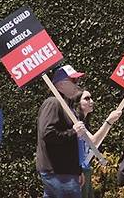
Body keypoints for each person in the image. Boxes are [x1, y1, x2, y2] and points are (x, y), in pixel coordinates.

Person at [37, 65, 89, 198]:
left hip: (65, 172)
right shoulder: (53, 103)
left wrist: (77, 170)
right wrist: (73, 131)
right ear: (60, 85)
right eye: (73, 81)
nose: (77, 85)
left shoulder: (67, 106)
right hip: (58, 172)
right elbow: (48, 134)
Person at [73, 90, 123, 198]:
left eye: (91, 98)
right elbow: (93, 141)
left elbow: (94, 144)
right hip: (77, 173)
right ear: (77, 103)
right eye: (87, 98)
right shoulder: (76, 123)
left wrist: (109, 123)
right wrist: (109, 121)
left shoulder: (85, 124)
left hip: (85, 170)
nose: (92, 101)